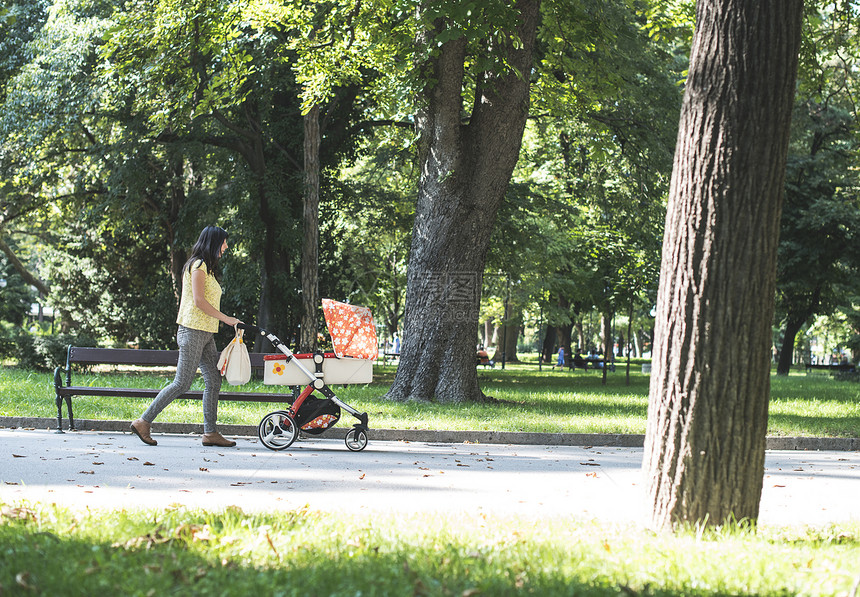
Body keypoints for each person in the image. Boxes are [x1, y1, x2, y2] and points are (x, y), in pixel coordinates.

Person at [130, 225, 242, 448]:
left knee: (213, 380)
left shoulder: (207, 268)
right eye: (224, 242)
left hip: (205, 333)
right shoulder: (198, 265)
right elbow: (199, 301)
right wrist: (227, 319)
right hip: (192, 331)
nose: (226, 246)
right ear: (213, 242)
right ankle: (143, 421)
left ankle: (210, 433)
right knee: (182, 382)